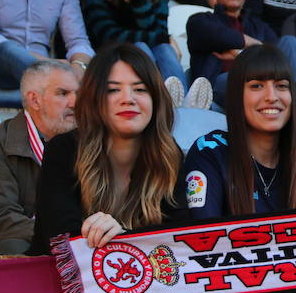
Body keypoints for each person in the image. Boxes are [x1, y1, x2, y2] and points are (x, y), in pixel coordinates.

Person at [29, 43, 185, 255]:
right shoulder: (64, 149)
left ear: (156, 100)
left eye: (140, 89)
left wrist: (123, 236)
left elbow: (180, 239)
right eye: (113, 90)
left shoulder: (169, 155)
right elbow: (59, 237)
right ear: (94, 99)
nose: (128, 99)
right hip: (62, 282)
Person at [183, 44, 296, 219]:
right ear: (237, 96)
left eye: (281, 86)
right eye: (257, 86)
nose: (271, 97)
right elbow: (204, 238)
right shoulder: (210, 151)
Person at [0, 61, 79, 255]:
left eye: (78, 93)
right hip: (6, 245)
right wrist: (62, 237)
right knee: (18, 247)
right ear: (35, 100)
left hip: (73, 240)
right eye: (63, 93)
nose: (75, 102)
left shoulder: (87, 143)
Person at [186, 0, 296, 108]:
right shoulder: (200, 20)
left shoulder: (258, 26)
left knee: (290, 42)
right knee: (245, 76)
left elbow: (276, 55)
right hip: (217, 88)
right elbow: (221, 36)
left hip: (263, 85)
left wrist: (242, 53)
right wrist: (254, 45)